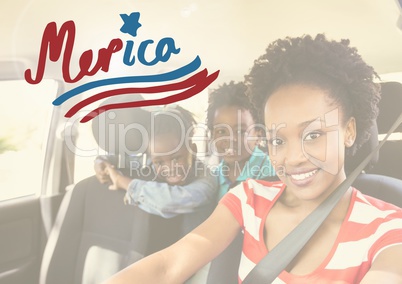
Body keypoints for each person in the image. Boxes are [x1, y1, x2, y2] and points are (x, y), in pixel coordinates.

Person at [102, 34, 402, 283]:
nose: (294, 158)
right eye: (277, 140)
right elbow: (169, 265)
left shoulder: (388, 226)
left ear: (349, 131)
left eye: (313, 135)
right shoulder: (248, 197)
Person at [99, 105, 218, 219]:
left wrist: (124, 182)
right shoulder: (150, 162)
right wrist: (101, 163)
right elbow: (118, 159)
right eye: (159, 163)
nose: (169, 168)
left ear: (193, 150)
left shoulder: (207, 181)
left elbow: (170, 201)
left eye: (176, 158)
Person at [206, 81, 276, 199]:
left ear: (258, 135)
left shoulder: (274, 173)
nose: (230, 139)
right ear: (213, 135)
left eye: (240, 131)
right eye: (221, 131)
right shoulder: (212, 178)